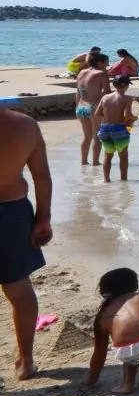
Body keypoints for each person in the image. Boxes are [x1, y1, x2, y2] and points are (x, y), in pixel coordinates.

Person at [0, 108, 51, 379]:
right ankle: (26, 361)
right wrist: (43, 218)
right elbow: (41, 175)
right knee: (20, 290)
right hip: (12, 212)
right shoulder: (25, 125)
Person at [92, 75, 137, 182]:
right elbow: (127, 115)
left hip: (104, 129)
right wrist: (135, 118)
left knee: (108, 155)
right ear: (126, 86)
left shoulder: (105, 97)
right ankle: (124, 180)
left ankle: (106, 180)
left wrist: (109, 117)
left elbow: (97, 113)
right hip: (119, 129)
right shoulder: (127, 98)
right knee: (123, 156)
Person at [75, 52, 110, 165]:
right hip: (93, 107)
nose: (108, 65)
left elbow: (78, 93)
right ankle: (95, 163)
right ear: (99, 63)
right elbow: (107, 93)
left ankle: (84, 162)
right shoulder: (101, 74)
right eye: (106, 63)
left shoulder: (81, 72)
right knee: (96, 137)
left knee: (86, 137)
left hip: (81, 107)